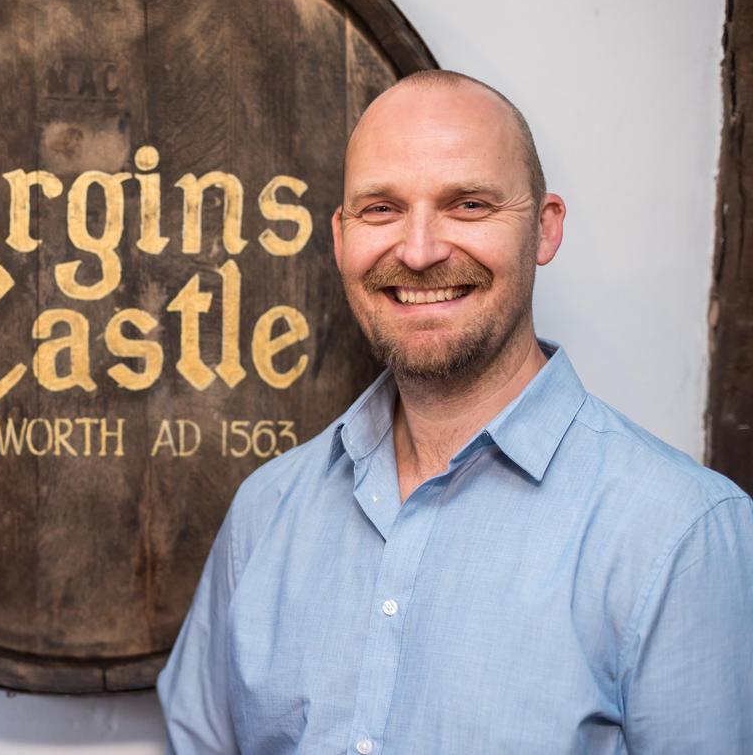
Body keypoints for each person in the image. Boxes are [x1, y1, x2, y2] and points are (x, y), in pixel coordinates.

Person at [157, 70, 753, 754]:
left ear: (544, 230)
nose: (418, 251)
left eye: (468, 204)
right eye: (381, 209)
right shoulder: (266, 512)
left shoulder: (682, 536)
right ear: (341, 236)